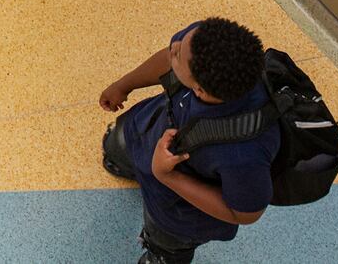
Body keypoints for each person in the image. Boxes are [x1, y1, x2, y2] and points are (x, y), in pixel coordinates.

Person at [99, 18, 278, 263]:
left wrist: (168, 176)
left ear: (200, 89)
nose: (175, 46)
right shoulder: (203, 43)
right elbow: (167, 58)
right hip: (146, 128)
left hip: (178, 212)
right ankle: (123, 161)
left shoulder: (242, 154)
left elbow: (246, 214)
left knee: (166, 241)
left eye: (178, 54)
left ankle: (161, 255)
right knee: (116, 145)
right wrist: (124, 85)